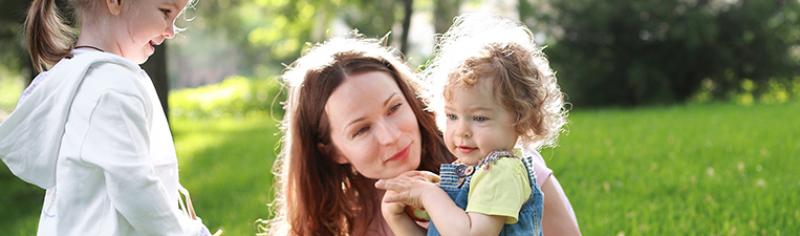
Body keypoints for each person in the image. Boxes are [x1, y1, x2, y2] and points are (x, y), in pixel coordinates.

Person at [0, 0, 214, 235]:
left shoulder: (82, 74)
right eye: (165, 13)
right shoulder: (111, 87)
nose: (171, 32)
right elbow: (135, 187)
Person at [375, 14, 580, 236]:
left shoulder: (502, 171)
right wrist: (396, 217)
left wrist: (430, 195)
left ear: (521, 120)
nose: (461, 131)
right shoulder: (469, 171)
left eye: (480, 118)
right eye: (452, 116)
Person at [269, 36, 454, 235]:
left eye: (394, 108)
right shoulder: (330, 227)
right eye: (362, 130)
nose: (390, 136)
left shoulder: (475, 180)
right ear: (332, 152)